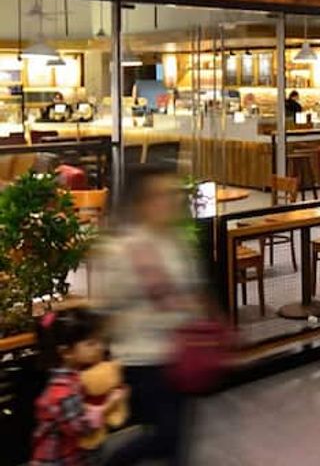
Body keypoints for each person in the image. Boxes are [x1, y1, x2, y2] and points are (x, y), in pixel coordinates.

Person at [95, 164, 206, 466]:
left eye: (173, 194)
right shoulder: (123, 250)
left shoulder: (177, 242)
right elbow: (108, 308)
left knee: (175, 436)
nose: (170, 201)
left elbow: (192, 289)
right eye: (160, 195)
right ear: (141, 203)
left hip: (180, 353)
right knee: (166, 435)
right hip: (143, 360)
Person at [31, 308, 128, 466]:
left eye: (99, 340)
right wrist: (109, 404)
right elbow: (82, 428)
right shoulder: (63, 391)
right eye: (91, 343)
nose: (99, 347)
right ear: (66, 352)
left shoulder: (73, 376)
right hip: (59, 460)